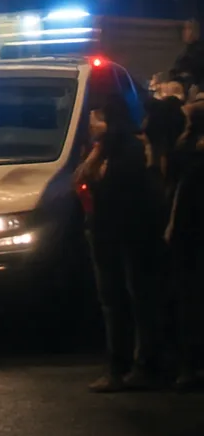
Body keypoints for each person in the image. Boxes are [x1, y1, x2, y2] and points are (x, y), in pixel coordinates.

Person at [75, 94, 165, 392]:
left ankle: (132, 366)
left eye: (95, 116)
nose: (89, 122)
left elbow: (91, 179)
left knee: (127, 300)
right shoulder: (117, 148)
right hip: (117, 234)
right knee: (127, 300)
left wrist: (97, 154)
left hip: (124, 235)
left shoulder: (123, 151)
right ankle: (133, 365)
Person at [167, 98, 204, 389]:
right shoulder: (190, 153)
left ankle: (189, 365)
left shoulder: (184, 152)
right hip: (190, 234)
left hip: (186, 235)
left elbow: (179, 197)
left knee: (188, 302)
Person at [172, 20, 204, 91]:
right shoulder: (184, 51)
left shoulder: (199, 51)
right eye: (184, 29)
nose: (185, 32)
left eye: (189, 28)